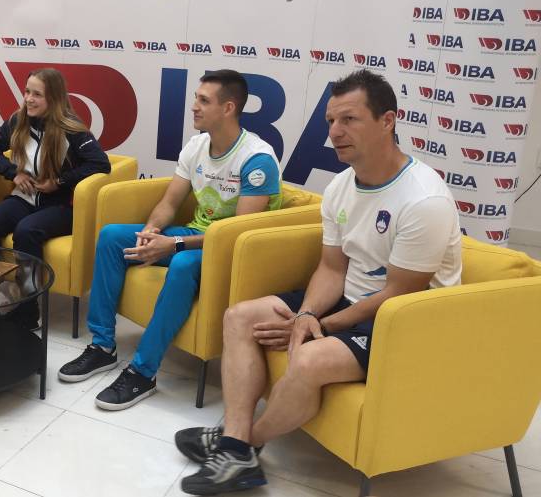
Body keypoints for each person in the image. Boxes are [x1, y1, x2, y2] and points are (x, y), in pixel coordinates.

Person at [174, 70, 462, 495]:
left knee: (309, 360)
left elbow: (401, 293)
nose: (335, 132)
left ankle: (241, 446)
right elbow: (331, 268)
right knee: (239, 317)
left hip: (408, 321)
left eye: (349, 119)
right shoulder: (342, 185)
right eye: (330, 121)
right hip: (352, 299)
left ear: (387, 121)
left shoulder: (424, 199)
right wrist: (307, 314)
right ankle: (235, 443)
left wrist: (321, 326)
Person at [59, 69, 282, 410]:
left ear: (228, 108)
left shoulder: (257, 159)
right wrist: (151, 232)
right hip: (197, 235)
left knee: (182, 264)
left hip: (233, 254)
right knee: (112, 237)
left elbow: (235, 236)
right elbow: (169, 203)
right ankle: (102, 346)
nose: (194, 106)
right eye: (196, 98)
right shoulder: (197, 146)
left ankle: (143, 371)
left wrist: (174, 245)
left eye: (203, 100)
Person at [0, 68, 110, 326]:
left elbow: (100, 164)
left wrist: (59, 182)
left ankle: (28, 308)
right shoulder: (18, 120)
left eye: (37, 94)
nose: (29, 99)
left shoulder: (72, 128)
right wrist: (12, 173)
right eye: (27, 92)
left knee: (26, 231)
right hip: (24, 197)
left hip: (61, 205)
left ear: (54, 98)